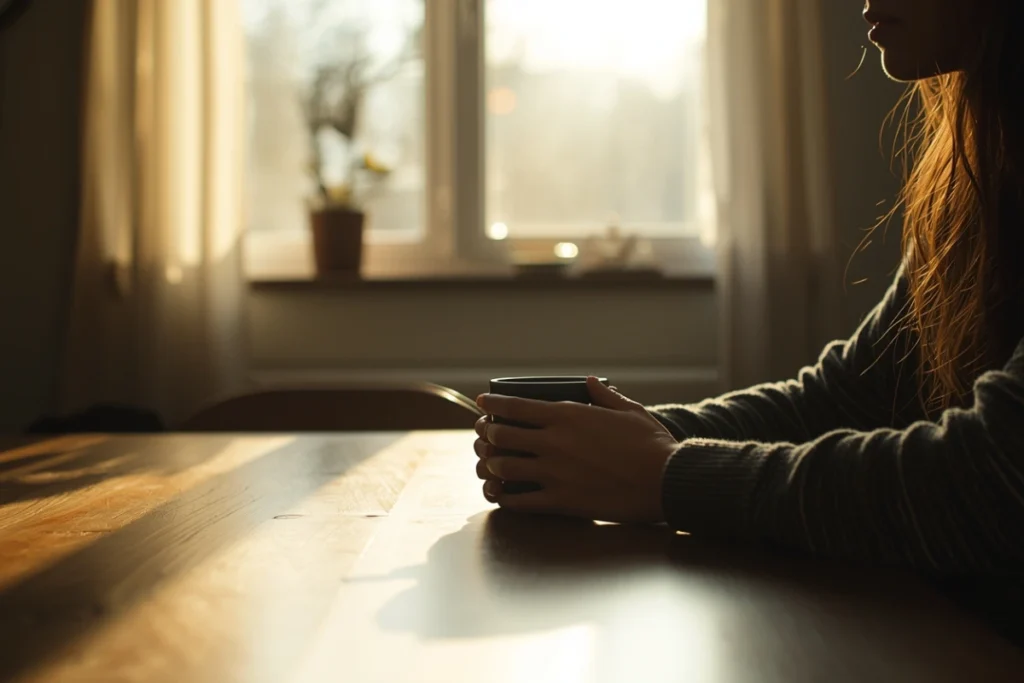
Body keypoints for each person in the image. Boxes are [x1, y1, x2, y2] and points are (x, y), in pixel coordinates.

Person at [472, 0, 1024, 579]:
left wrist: (662, 475)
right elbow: (845, 399)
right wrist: (625, 444)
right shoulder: (980, 179)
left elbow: (991, 480)